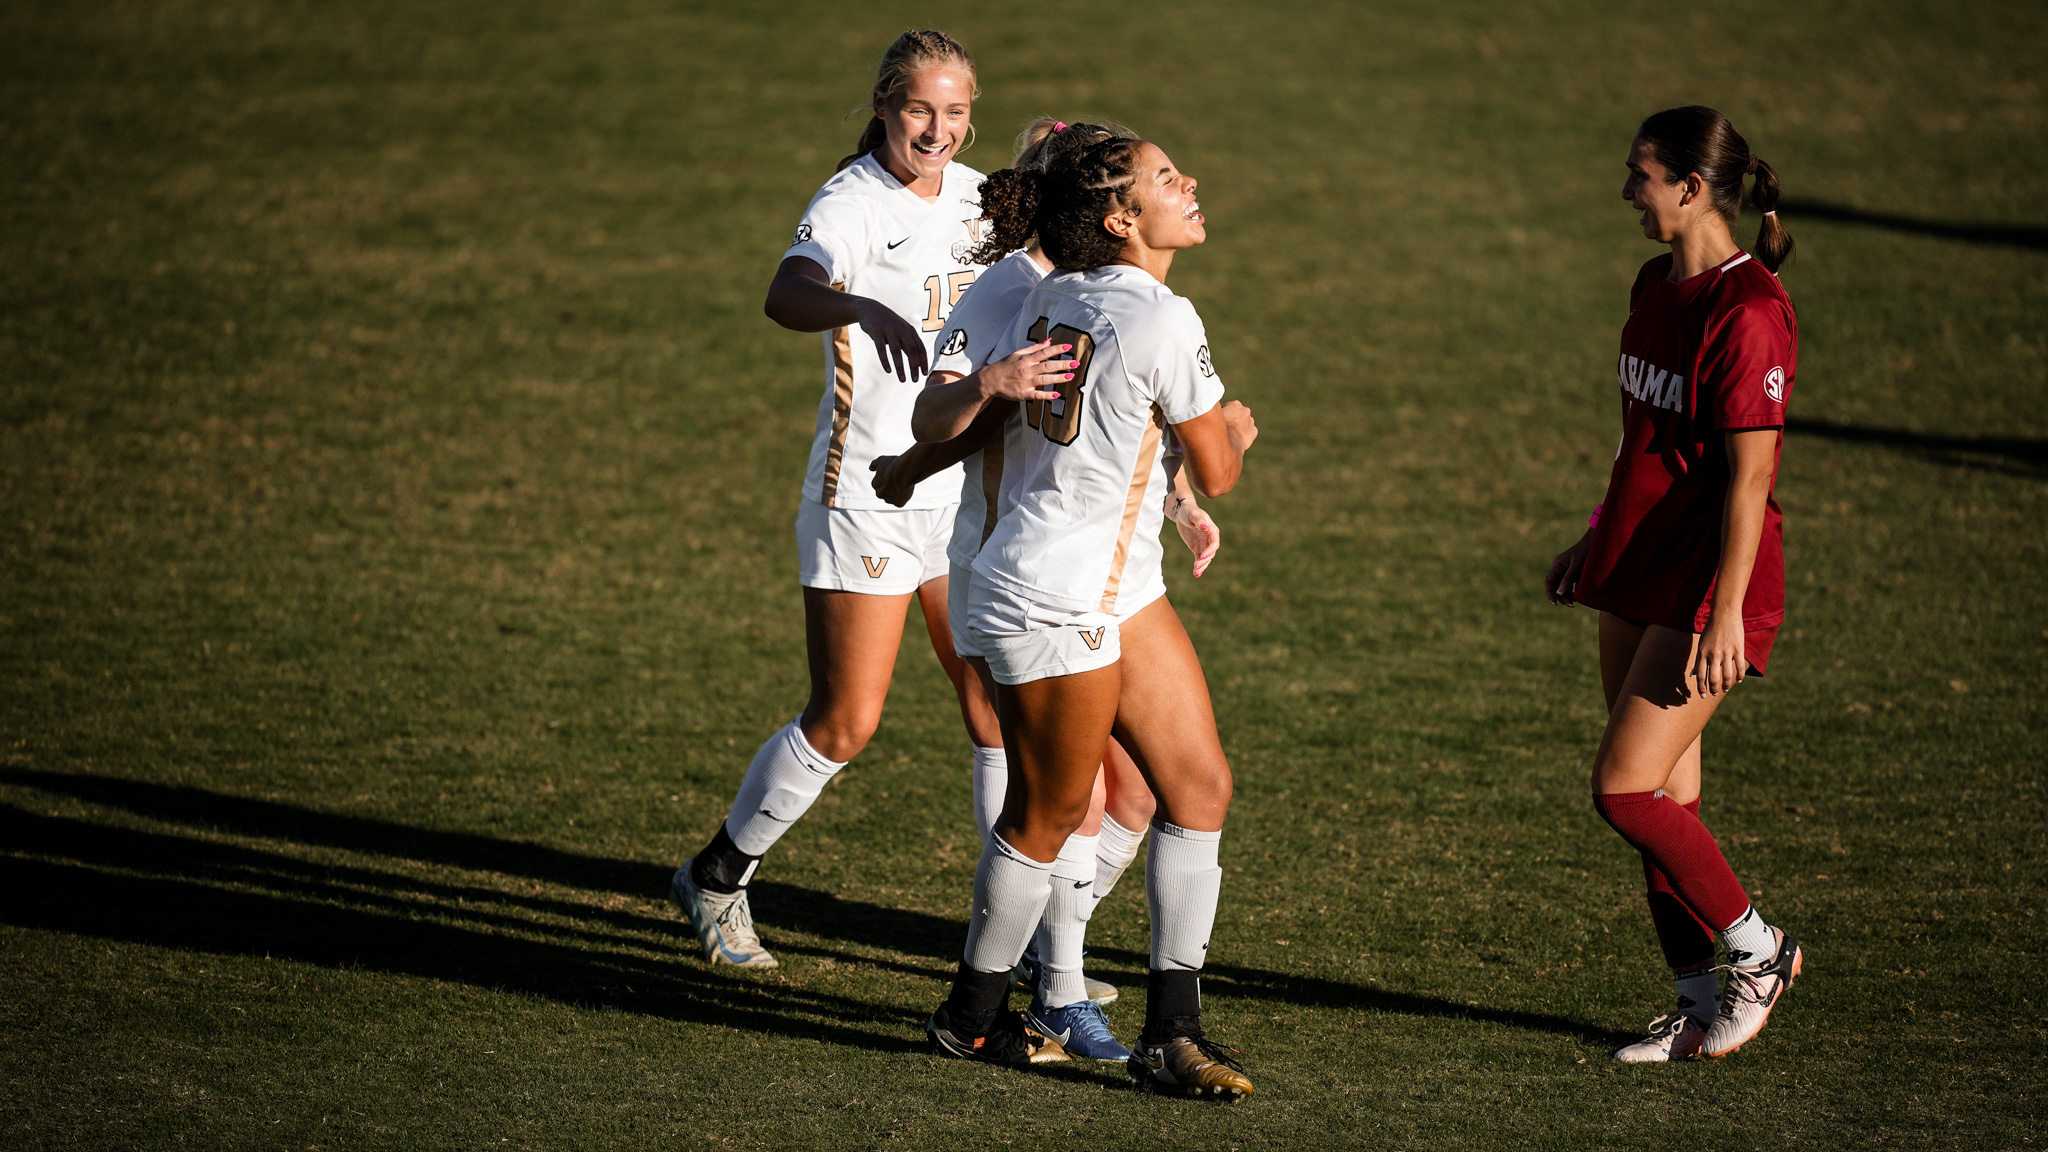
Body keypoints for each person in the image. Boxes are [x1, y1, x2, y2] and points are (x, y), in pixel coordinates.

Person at [669, 30, 1071, 969]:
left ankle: (998, 938)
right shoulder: (851, 203)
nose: (939, 129)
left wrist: (1062, 159)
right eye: (921, 109)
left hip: (955, 486)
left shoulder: (978, 197)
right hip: (867, 495)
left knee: (993, 708)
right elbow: (787, 289)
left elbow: (1054, 249)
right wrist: (857, 306)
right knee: (846, 720)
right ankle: (718, 877)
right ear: (886, 106)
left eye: (958, 112)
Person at [918, 133, 1260, 1101]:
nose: (1187, 183)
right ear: (1119, 220)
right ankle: (969, 1023)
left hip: (1110, 581)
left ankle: (1169, 1034)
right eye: (1164, 179)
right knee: (1048, 813)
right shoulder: (1159, 317)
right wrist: (1228, 430)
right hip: (1053, 594)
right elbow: (1221, 465)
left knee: (1197, 787)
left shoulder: (1054, 290)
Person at [1545, 105, 1804, 1062]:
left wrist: (1727, 610)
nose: (1626, 192)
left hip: (1710, 583)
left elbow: (1751, 480)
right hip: (1639, 563)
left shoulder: (1750, 311)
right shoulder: (1654, 282)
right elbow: (1641, 439)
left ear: (1692, 189)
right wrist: (1594, 534)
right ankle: (1699, 1005)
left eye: (1640, 175)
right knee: (1665, 803)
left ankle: (1758, 954)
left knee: (1623, 790)